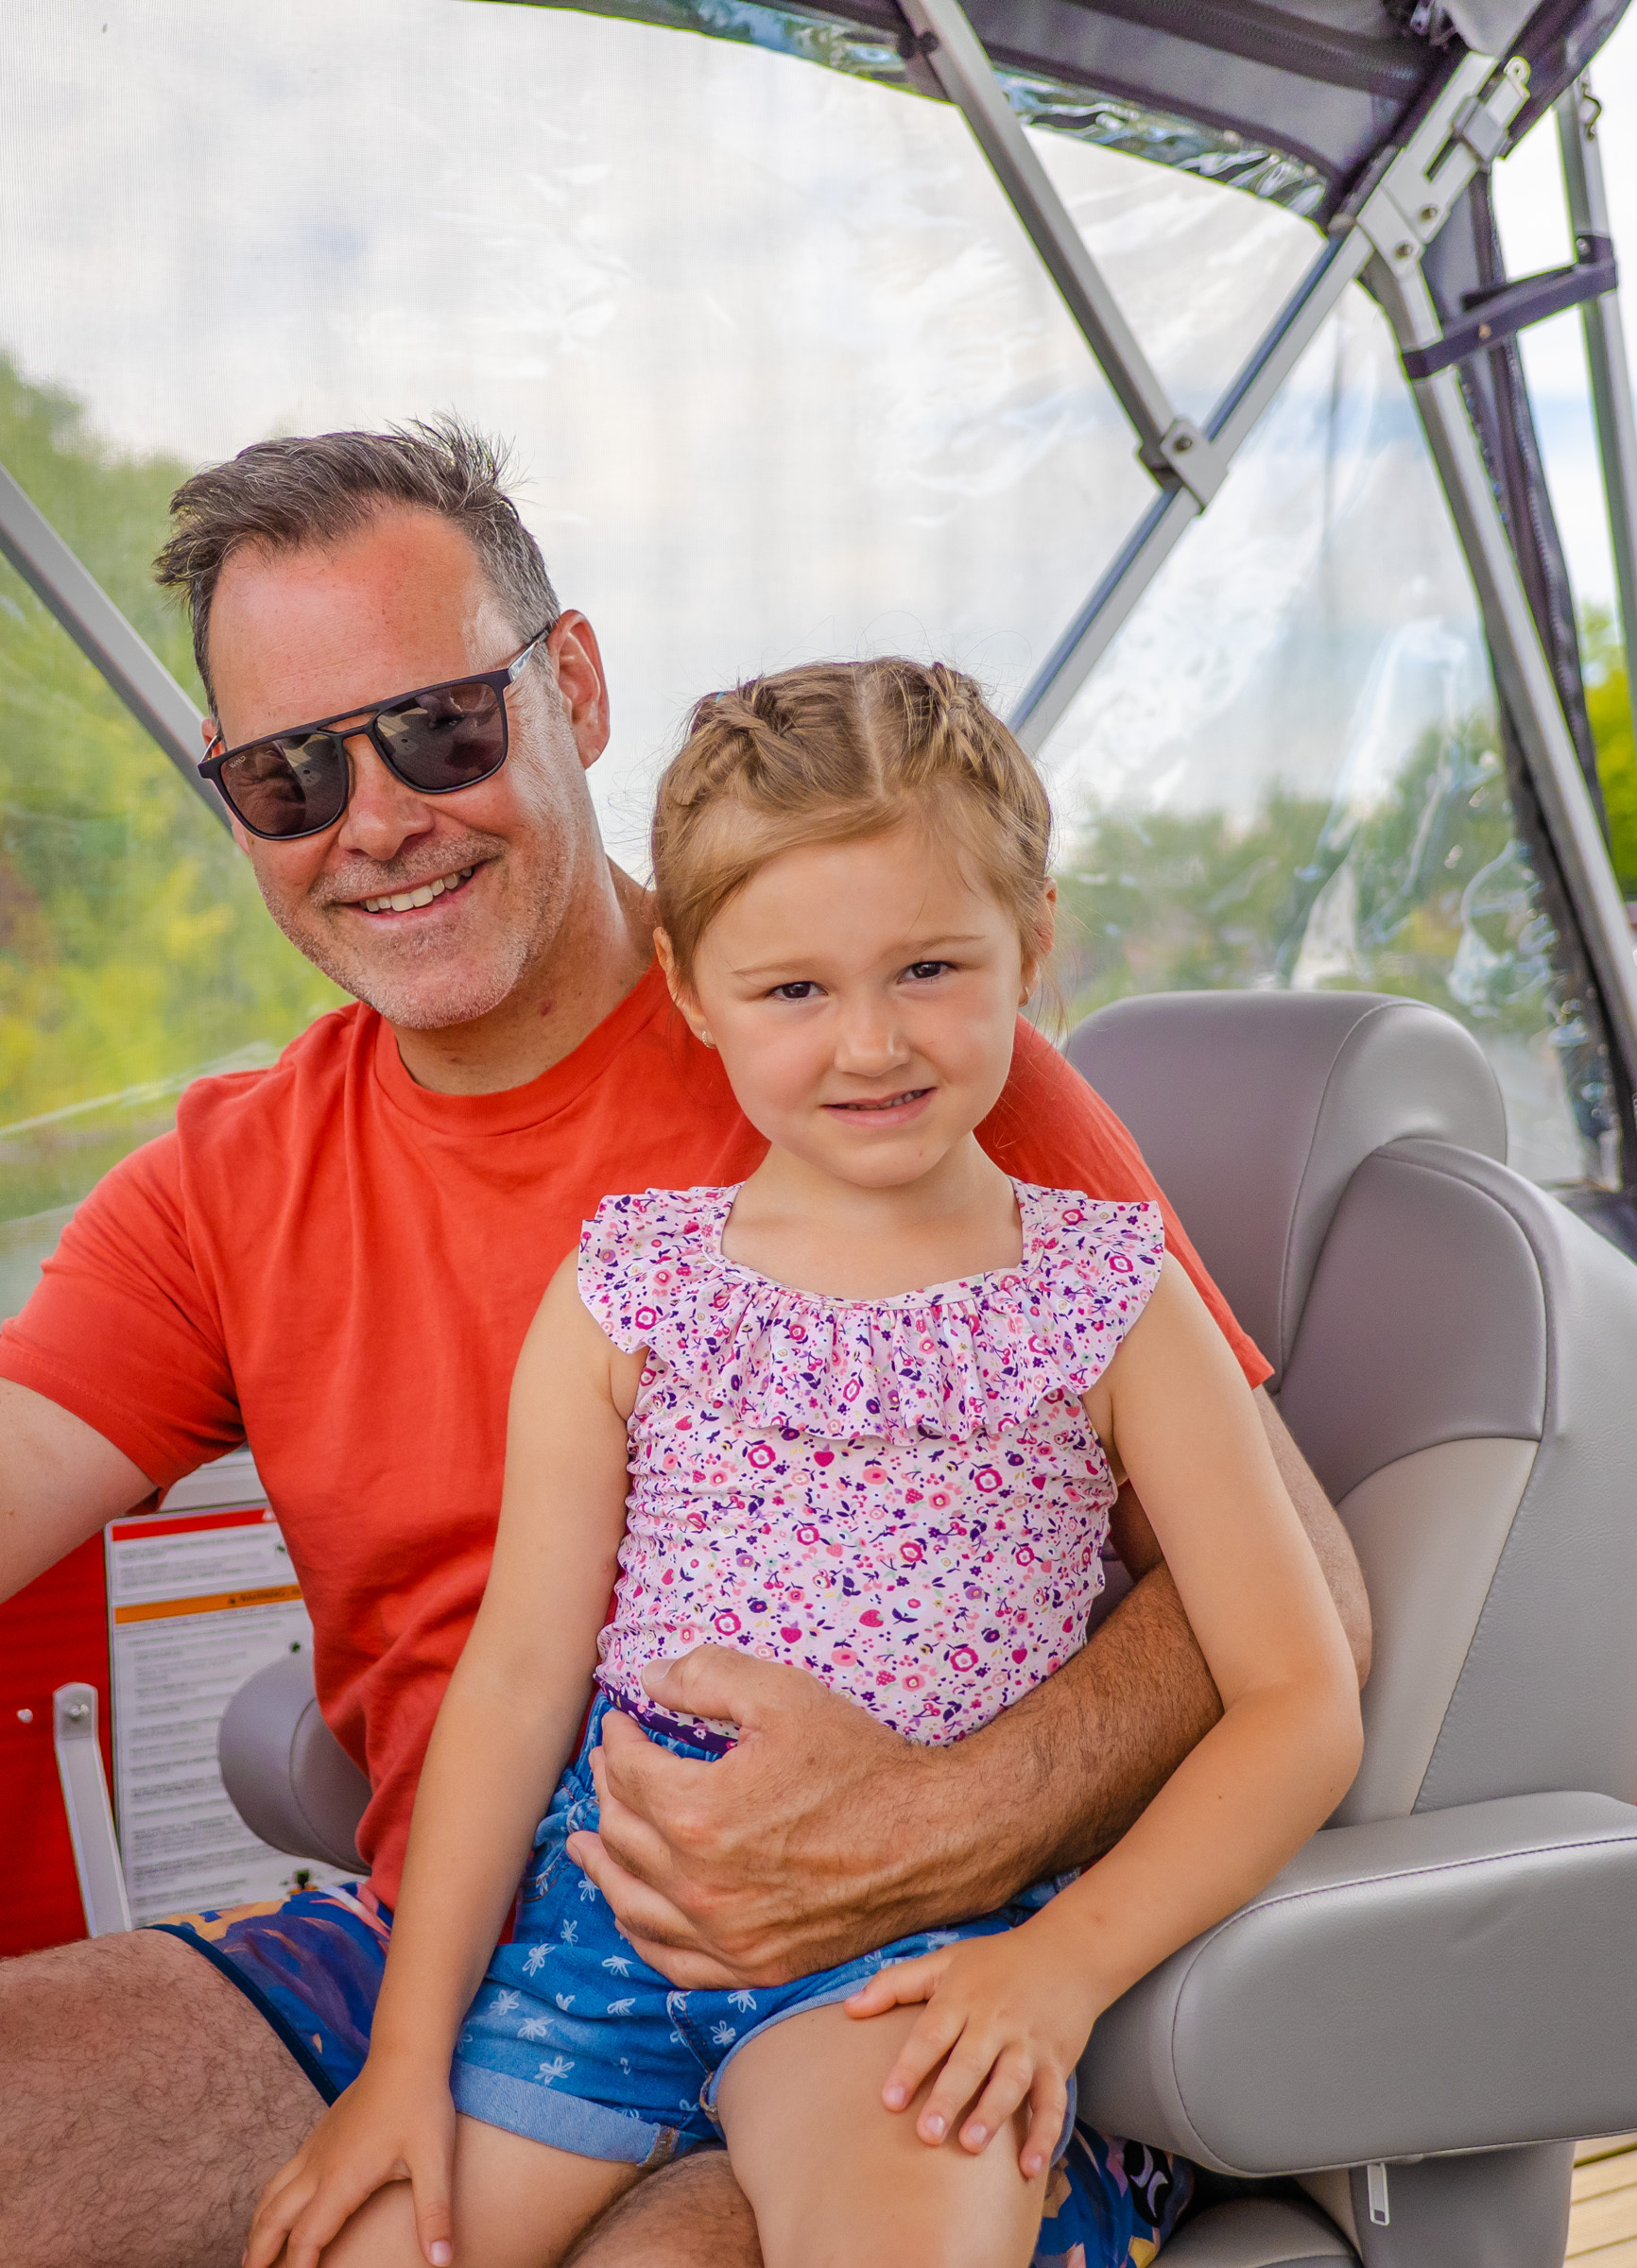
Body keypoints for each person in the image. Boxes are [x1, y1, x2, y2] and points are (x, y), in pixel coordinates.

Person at [0, 421, 1370, 2268]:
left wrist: (951, 1824)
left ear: (569, 687)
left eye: (436, 728)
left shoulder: (912, 1094)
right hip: (474, 1950)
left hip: (918, 1971)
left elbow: (1306, 1602)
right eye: (285, 777)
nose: (376, 822)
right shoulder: (218, 1184)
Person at [240, 661, 1361, 2268]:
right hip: (590, 1943)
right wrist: (404, 2061)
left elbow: (1296, 1699)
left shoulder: (1113, 1298)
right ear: (692, 991)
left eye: (927, 968)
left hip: (913, 1962)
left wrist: (1061, 1972)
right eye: (794, 992)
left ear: (1031, 946)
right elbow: (514, 1681)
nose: (869, 1044)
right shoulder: (627, 1287)